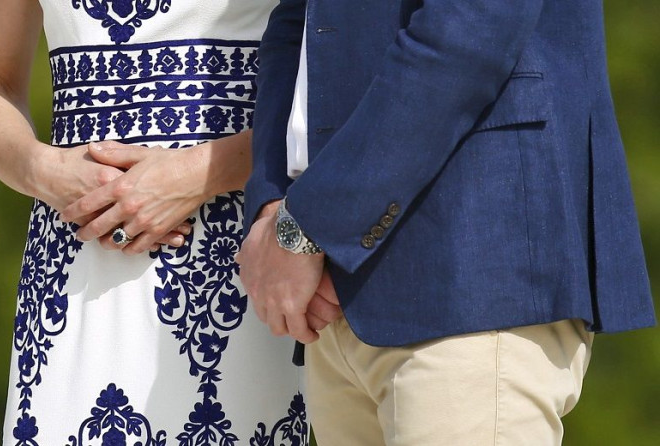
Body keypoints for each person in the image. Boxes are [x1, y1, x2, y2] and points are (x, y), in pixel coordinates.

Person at [237, 0, 657, 444]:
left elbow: (471, 24)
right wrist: (273, 206)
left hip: (469, 272)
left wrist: (307, 228)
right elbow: (297, 21)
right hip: (332, 303)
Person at [0, 1, 325, 444]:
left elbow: (342, 82)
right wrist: (42, 169)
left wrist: (197, 173)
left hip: (248, 260)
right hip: (75, 264)